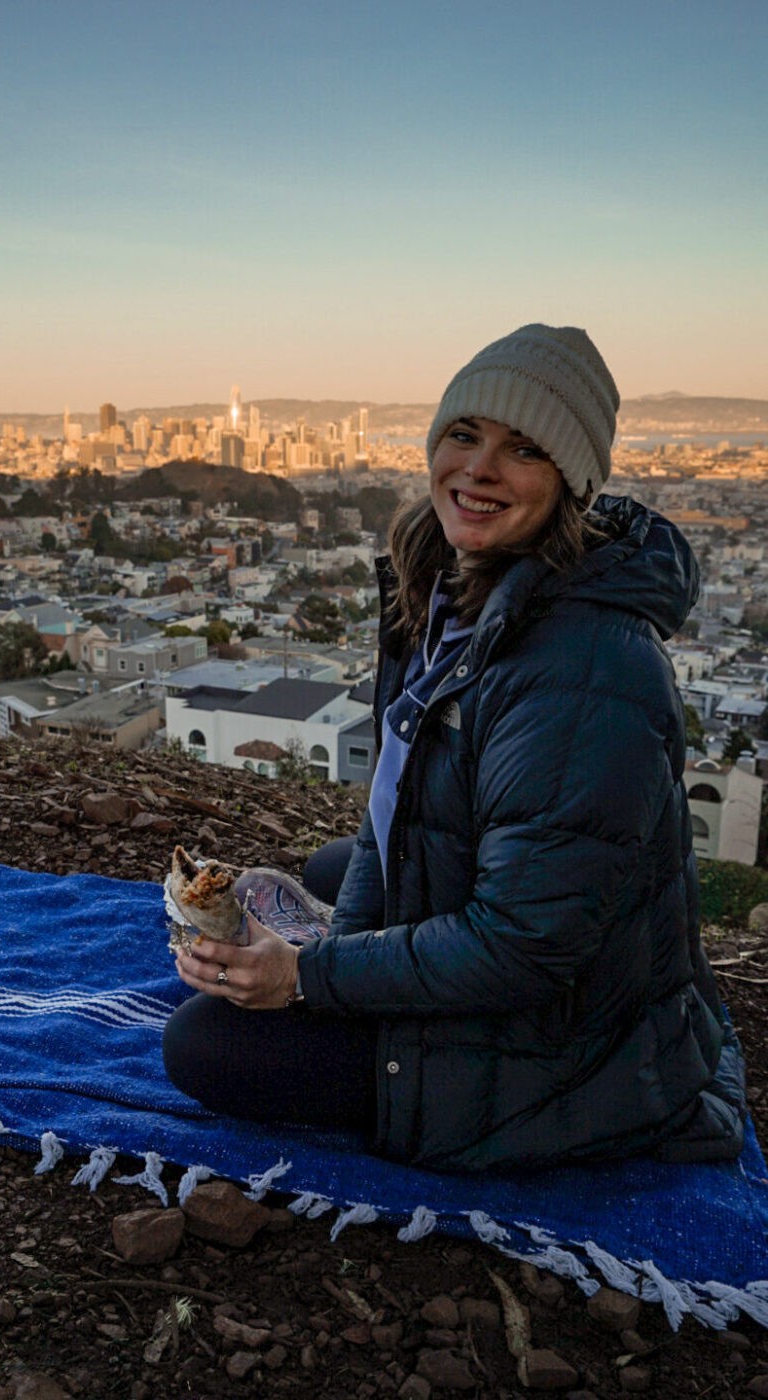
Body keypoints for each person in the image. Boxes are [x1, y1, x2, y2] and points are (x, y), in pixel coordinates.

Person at [162, 324, 746, 1171]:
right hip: (537, 928)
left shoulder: (588, 668)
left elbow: (522, 946)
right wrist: (338, 963)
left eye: (523, 449)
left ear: (570, 481)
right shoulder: (444, 583)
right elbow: (394, 801)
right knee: (340, 868)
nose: (478, 468)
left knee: (204, 1048)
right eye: (464, 435)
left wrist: (306, 982)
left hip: (563, 1042)